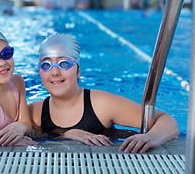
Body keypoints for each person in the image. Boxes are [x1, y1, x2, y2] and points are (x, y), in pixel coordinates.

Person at [29, 33, 180, 153]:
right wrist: (66, 135)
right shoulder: (34, 111)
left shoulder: (102, 104)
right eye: (46, 65)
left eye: (64, 64)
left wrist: (152, 137)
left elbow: (168, 121)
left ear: (78, 71)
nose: (55, 72)